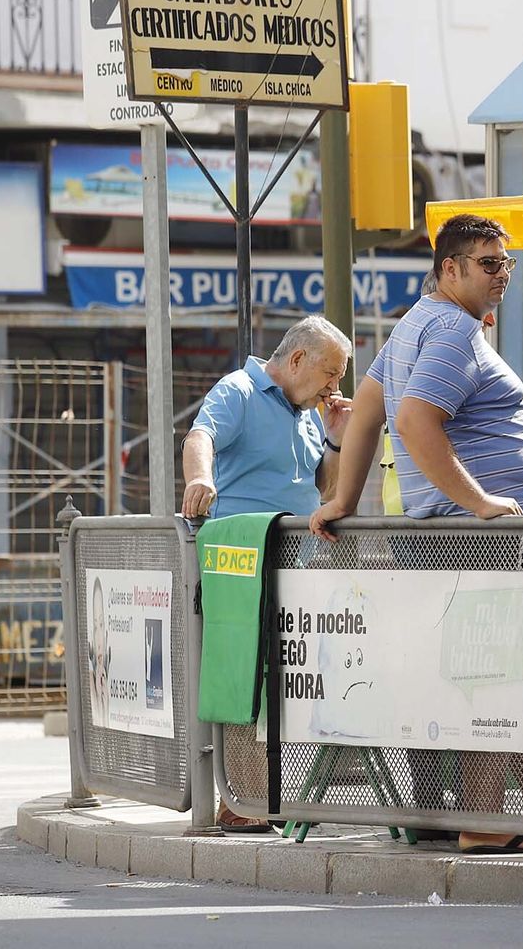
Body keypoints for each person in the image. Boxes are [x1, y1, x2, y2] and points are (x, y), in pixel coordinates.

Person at [310, 213, 523, 853]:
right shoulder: (453, 329)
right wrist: (483, 502)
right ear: (450, 267)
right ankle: (485, 819)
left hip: (477, 539)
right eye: (489, 264)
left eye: (506, 264)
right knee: (500, 677)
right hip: (484, 540)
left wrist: (343, 498)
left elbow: (369, 414)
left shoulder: (416, 326)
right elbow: (412, 419)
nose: (502, 276)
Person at [182, 314, 354, 830]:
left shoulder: (305, 412)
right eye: (330, 373)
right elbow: (200, 435)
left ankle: (262, 797)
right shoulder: (239, 389)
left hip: (291, 562)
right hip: (241, 563)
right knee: (243, 679)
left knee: (283, 680)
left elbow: (323, 488)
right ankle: (241, 802)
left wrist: (338, 439)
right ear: (297, 359)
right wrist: (200, 479)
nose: (334, 386)